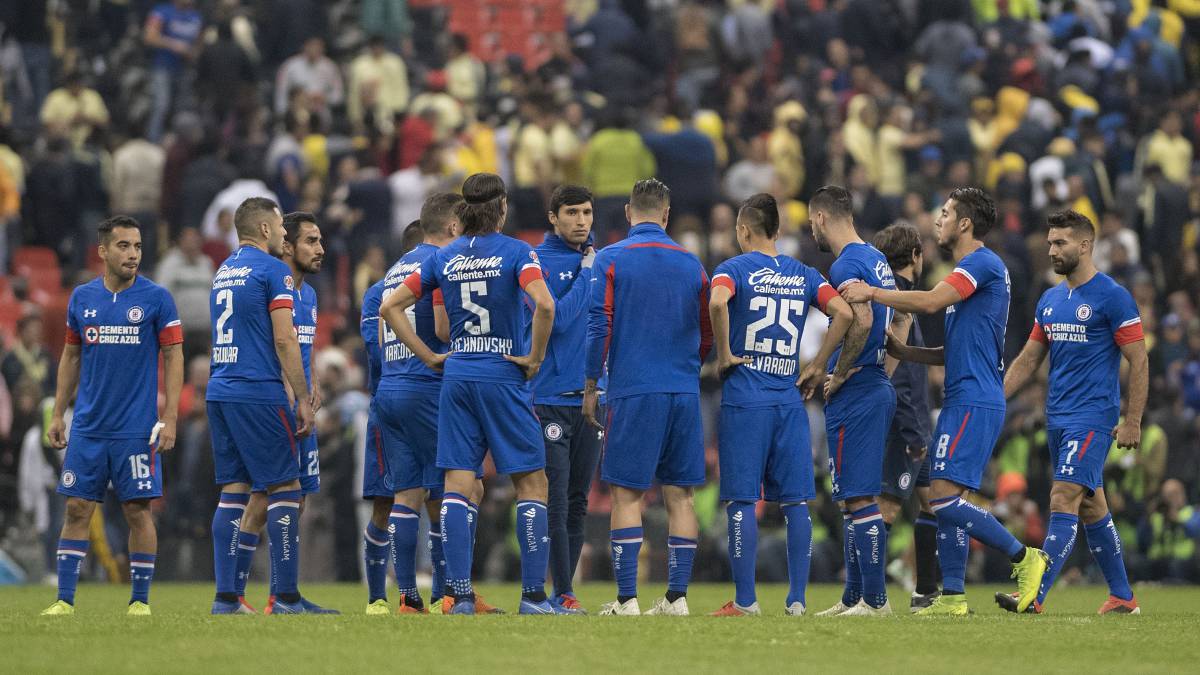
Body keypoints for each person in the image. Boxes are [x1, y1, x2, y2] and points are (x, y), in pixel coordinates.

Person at [841, 187, 1050, 616]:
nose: (938, 220)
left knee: (941, 498)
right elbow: (956, 351)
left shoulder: (980, 264)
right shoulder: (971, 272)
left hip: (974, 397)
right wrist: (906, 352)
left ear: (965, 224)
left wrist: (873, 293)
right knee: (949, 498)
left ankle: (1025, 557)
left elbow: (932, 302)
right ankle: (953, 597)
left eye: (946, 213)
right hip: (966, 393)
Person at [379, 173, 558, 615]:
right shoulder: (519, 252)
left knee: (458, 484)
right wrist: (534, 357)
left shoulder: (445, 256)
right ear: (500, 209)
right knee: (532, 482)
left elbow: (390, 306)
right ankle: (534, 597)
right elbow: (547, 305)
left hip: (457, 374)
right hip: (502, 372)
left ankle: (458, 596)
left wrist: (427, 356)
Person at [707, 193, 854, 617]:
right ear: (778, 230)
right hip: (789, 402)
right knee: (795, 504)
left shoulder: (732, 269)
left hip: (745, 399)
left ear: (743, 230)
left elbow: (718, 301)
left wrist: (723, 355)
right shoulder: (804, 273)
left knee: (740, 501)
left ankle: (745, 601)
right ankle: (797, 601)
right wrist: (818, 363)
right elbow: (842, 313)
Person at [1000, 210, 1147, 615]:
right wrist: (998, 400)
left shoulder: (1113, 297)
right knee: (1091, 505)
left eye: (1060, 242)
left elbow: (1139, 359)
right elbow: (1030, 359)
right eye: (1049, 242)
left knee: (1063, 496)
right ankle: (1122, 596)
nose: (1051, 250)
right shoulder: (1050, 299)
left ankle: (1035, 593)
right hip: (1058, 417)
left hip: (1093, 417)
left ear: (1084, 246)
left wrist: (1132, 419)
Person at [41, 216, 184, 616]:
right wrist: (58, 415)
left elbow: (174, 355)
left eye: (137, 246)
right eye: (124, 246)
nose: (133, 254)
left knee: (137, 511)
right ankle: (64, 601)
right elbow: (71, 355)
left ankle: (139, 601)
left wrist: (169, 417)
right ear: (103, 251)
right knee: (76, 509)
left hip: (135, 428)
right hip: (88, 425)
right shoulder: (82, 298)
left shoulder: (157, 298)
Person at [585, 178, 713, 617]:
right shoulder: (692, 263)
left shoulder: (612, 258)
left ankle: (627, 600)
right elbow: (708, 328)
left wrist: (590, 385)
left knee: (626, 495)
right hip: (682, 390)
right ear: (666, 213)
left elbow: (599, 324)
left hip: (634, 389)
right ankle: (677, 598)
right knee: (682, 496)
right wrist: (687, 366)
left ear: (627, 212)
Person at [375, 193, 492, 615]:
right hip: (426, 387)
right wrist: (433, 354)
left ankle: (408, 598)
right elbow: (442, 327)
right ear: (454, 227)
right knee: (466, 486)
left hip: (390, 388)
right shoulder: (440, 263)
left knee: (407, 494)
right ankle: (454, 592)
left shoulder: (395, 269)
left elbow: (382, 317)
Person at [206, 197, 316, 615]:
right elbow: (286, 339)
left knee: (233, 491)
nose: (285, 236)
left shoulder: (224, 270)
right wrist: (302, 397)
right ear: (267, 230)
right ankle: (286, 597)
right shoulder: (274, 270)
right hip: (257, 389)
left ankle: (226, 599)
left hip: (220, 387)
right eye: (282, 229)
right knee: (286, 488)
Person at [230, 211, 335, 614]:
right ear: (286, 245)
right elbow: (276, 343)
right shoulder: (270, 283)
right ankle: (238, 592)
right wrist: (297, 394)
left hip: (300, 407)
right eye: (311, 240)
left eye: (321, 240)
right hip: (273, 405)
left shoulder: (308, 295)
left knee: (298, 499)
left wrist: (313, 382)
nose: (320, 249)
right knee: (265, 496)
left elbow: (301, 344)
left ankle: (280, 594)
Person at [806, 185, 899, 617]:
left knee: (860, 499)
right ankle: (854, 598)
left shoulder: (846, 263)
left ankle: (876, 601)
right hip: (874, 382)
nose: (812, 231)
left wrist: (839, 371)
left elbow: (860, 318)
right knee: (850, 498)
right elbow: (897, 317)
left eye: (811, 223)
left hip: (858, 388)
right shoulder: (877, 259)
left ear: (822, 217)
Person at [529, 186, 602, 614]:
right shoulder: (537, 261)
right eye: (572, 212)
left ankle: (565, 591)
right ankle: (554, 589)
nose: (581, 220)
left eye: (587, 212)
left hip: (591, 397)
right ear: (553, 217)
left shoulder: (596, 260)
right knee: (555, 497)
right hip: (550, 395)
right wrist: (589, 272)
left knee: (578, 499)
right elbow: (556, 319)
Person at [872, 222, 942, 611]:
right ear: (916, 256)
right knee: (887, 506)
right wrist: (913, 429)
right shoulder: (901, 300)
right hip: (907, 420)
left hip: (916, 421)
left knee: (932, 501)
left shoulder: (887, 297)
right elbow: (898, 374)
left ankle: (925, 592)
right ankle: (868, 592)